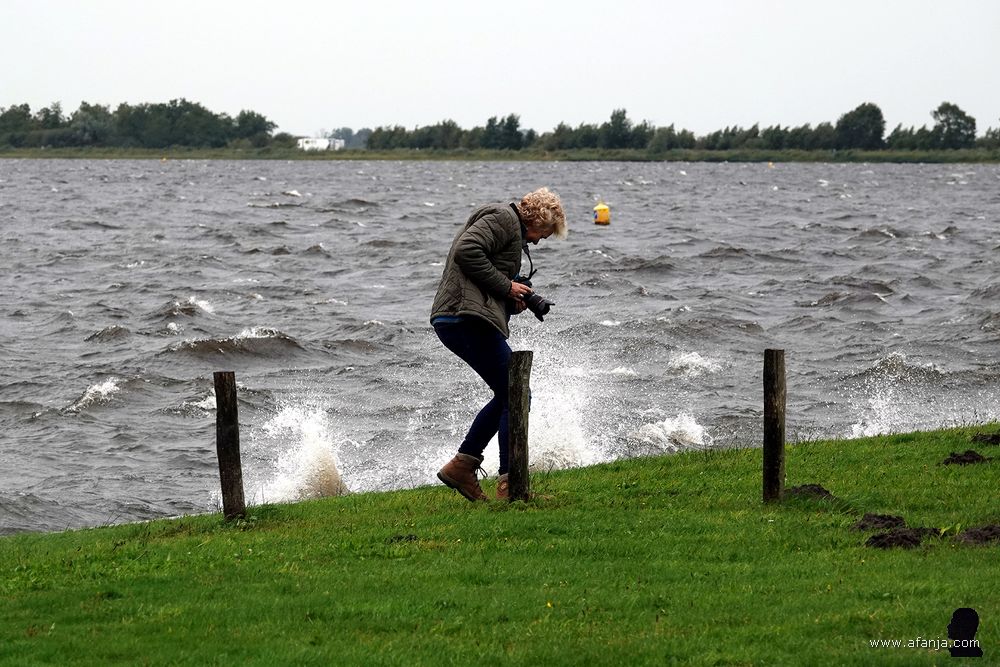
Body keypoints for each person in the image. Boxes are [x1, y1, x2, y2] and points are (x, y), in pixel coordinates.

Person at [430, 187, 567, 501]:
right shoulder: (503, 218)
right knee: (516, 393)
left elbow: (479, 278)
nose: (538, 241)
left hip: (461, 318)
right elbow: (466, 251)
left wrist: (514, 297)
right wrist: (507, 286)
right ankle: (511, 486)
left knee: (510, 393)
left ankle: (463, 466)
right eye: (543, 234)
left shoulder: (508, 227)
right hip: (463, 318)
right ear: (538, 219)